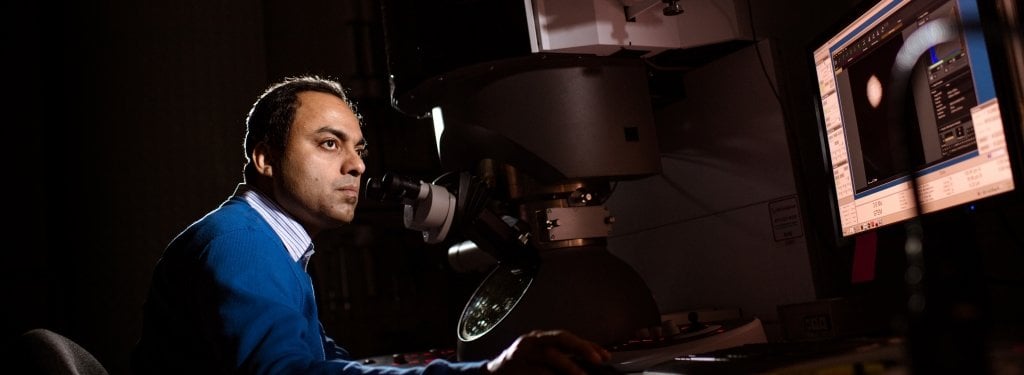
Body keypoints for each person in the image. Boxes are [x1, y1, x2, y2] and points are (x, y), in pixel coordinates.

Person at [131, 75, 611, 374]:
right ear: (265, 158)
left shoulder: (272, 241)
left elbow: (321, 358)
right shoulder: (241, 244)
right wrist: (485, 374)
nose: (357, 165)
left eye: (358, 148)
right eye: (328, 144)